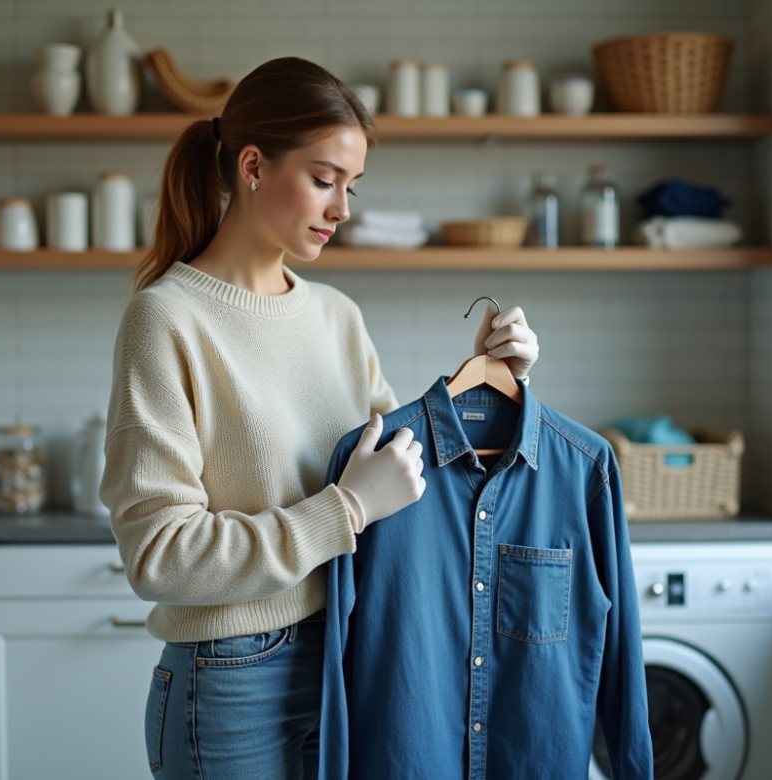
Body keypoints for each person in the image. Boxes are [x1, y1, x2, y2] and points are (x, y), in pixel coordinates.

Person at [99, 56, 540, 780]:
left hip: (347, 658)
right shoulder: (166, 319)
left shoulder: (337, 317)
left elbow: (410, 485)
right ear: (252, 166)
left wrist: (495, 386)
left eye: (351, 187)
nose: (342, 209)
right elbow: (159, 556)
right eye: (324, 180)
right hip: (232, 682)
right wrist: (343, 511)